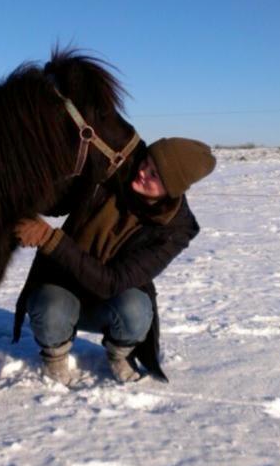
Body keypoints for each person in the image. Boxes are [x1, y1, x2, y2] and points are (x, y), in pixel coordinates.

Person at [13, 137, 216, 385]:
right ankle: (55, 358)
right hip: (63, 285)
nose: (142, 173)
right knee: (50, 307)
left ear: (171, 188)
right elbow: (58, 199)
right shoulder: (109, 176)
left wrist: (49, 238)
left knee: (136, 311)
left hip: (111, 301)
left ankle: (120, 354)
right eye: (146, 163)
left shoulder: (175, 230)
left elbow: (113, 282)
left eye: (154, 175)